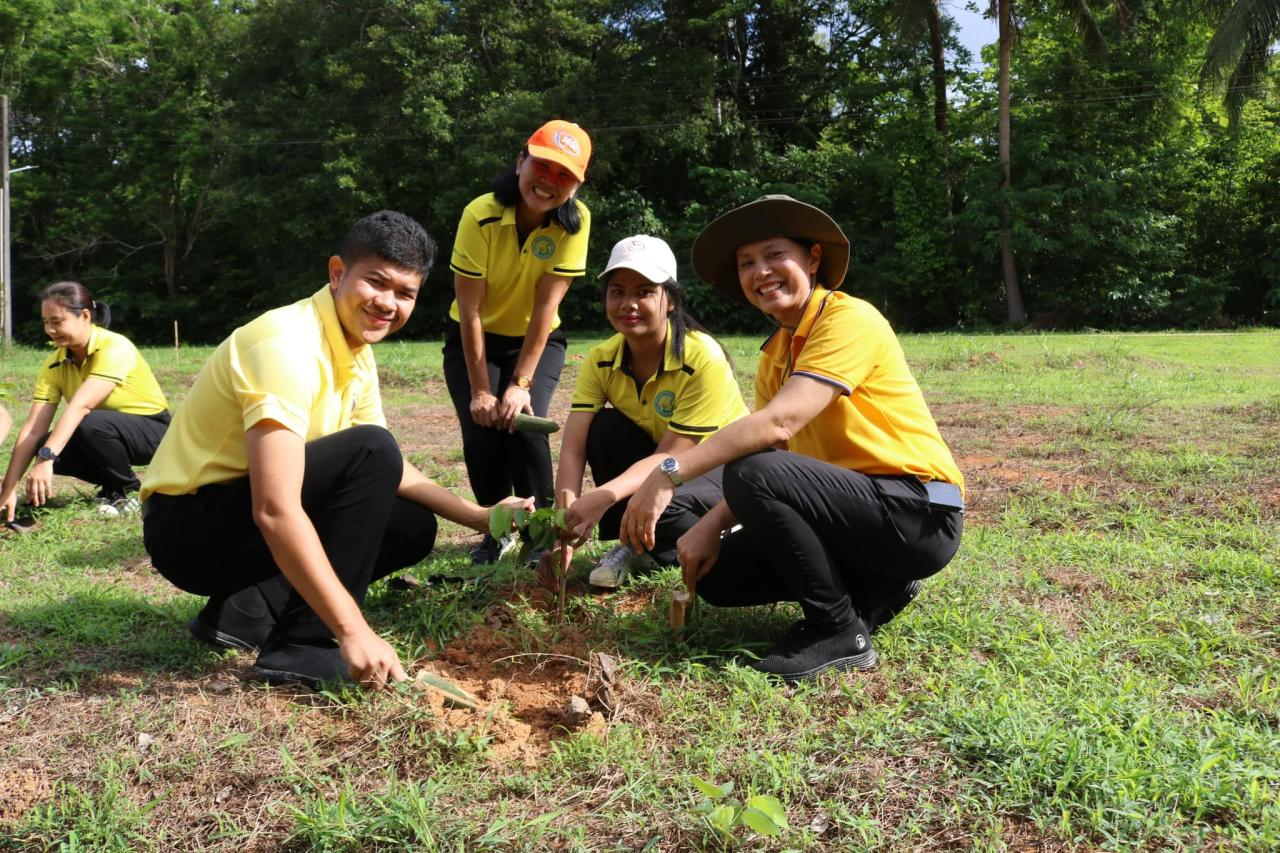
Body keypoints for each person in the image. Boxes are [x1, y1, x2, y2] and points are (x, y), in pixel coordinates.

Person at [141, 211, 531, 690]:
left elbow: (388, 468)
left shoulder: (355, 351)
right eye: (377, 283)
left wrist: (478, 515)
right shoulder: (285, 344)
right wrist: (352, 631)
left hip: (231, 520)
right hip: (188, 529)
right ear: (337, 272)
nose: (388, 304)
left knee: (408, 526)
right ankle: (301, 646)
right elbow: (274, 509)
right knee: (372, 450)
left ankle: (245, 611)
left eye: (405, 293)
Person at [621, 195, 964, 683]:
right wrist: (712, 525)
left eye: (774, 254)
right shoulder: (775, 355)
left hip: (917, 512)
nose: (761, 271)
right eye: (746, 263)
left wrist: (667, 473)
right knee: (718, 574)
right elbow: (776, 453)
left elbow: (775, 428)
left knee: (750, 472)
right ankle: (878, 585)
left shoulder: (848, 318)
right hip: (855, 513)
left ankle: (839, 630)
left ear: (813, 258)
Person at [555, 235, 748, 588]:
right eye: (617, 292)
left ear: (670, 300)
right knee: (605, 429)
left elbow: (673, 455)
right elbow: (573, 447)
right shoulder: (600, 359)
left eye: (644, 292)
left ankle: (723, 527)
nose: (628, 304)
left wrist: (601, 497)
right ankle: (636, 545)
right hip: (667, 466)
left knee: (669, 512)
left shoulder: (701, 356)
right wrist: (563, 518)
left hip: (720, 467)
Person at [444, 119, 592, 565]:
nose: (549, 181)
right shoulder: (481, 214)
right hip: (475, 337)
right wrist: (482, 391)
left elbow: (546, 309)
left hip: (538, 338)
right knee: (482, 430)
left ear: (577, 186)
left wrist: (521, 383)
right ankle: (497, 530)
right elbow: (469, 309)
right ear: (520, 162)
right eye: (542, 166)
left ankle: (543, 532)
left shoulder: (575, 223)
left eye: (564, 174)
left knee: (527, 424)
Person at [1, 282, 171, 521]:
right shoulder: (54, 363)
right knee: (43, 440)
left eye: (57, 321)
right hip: (101, 429)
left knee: (85, 424)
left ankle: (130, 491)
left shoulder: (114, 346)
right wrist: (8, 490)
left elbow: (82, 406)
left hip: (155, 432)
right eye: (45, 322)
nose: (49, 329)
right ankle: (112, 487)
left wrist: (44, 460)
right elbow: (32, 429)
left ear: (84, 315)